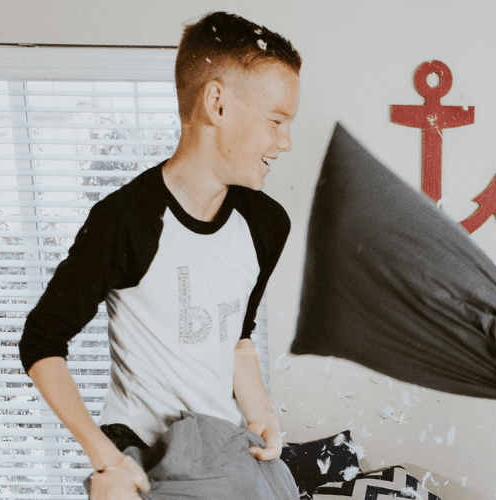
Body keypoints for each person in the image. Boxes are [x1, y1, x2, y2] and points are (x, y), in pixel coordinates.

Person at [17, 11, 300, 500]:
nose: (285, 142)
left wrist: (262, 417)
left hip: (223, 453)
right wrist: (105, 459)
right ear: (217, 102)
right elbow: (41, 342)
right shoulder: (126, 220)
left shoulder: (266, 224)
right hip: (148, 462)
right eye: (276, 121)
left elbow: (238, 340)